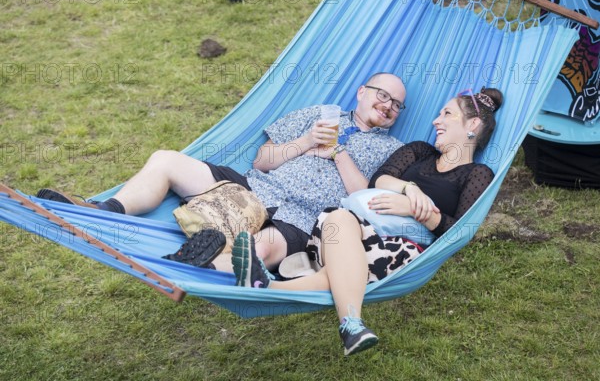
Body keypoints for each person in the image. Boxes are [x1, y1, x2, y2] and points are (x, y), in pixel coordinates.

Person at [37, 73, 406, 272]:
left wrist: (339, 152)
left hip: (303, 217)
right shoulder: (318, 113)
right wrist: (308, 140)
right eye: (382, 95)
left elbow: (360, 198)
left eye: (396, 106)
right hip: (254, 185)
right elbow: (262, 160)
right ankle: (103, 210)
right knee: (166, 159)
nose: (388, 106)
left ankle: (202, 264)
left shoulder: (390, 149)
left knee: (259, 249)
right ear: (361, 91)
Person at [231, 87, 503, 356]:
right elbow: (378, 180)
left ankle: (340, 318)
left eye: (447, 114)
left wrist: (415, 209)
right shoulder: (420, 151)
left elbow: (459, 232)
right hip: (350, 228)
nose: (436, 120)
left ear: (473, 124)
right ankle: (344, 321)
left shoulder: (477, 174)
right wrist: (409, 188)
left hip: (401, 248)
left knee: (344, 265)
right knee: (339, 217)